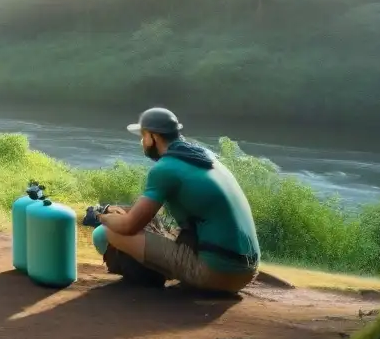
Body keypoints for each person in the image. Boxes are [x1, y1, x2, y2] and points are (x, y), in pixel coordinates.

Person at [98, 107, 260, 293]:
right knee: (155, 227)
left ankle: (149, 278)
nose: (142, 142)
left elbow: (129, 226)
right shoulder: (204, 157)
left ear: (153, 137)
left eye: (143, 136)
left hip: (216, 274)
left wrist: (100, 215)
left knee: (109, 231)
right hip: (246, 271)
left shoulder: (165, 168)